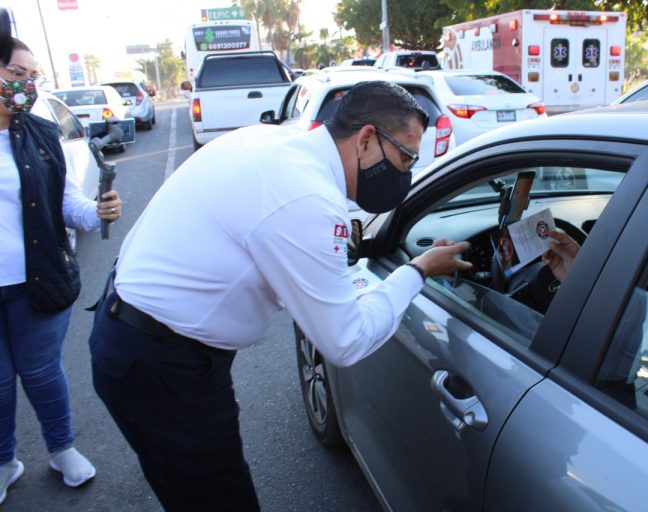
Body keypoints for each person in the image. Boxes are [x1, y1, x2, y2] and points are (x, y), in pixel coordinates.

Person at [88, 80, 471, 510]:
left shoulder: (270, 142)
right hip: (164, 366)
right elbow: (346, 341)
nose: (407, 172)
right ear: (366, 139)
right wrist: (417, 270)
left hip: (134, 333)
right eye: (405, 156)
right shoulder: (306, 197)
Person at [0, 37, 123, 504]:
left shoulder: (39, 133)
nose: (26, 85)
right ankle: (5, 461)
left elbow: (67, 203)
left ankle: (61, 449)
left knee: (41, 371)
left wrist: (99, 212)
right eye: (17, 74)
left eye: (33, 77)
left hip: (38, 280)